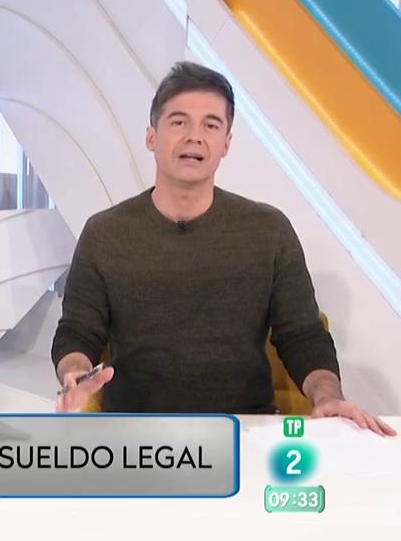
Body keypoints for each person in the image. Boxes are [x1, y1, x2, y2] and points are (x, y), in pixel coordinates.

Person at [51, 61, 394, 436]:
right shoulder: (105, 234)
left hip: (246, 430)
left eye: (211, 125)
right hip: (139, 433)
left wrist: (328, 396)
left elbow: (303, 336)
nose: (194, 137)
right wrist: (75, 373)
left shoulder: (268, 230)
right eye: (179, 122)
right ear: (151, 137)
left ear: (226, 143)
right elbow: (77, 333)